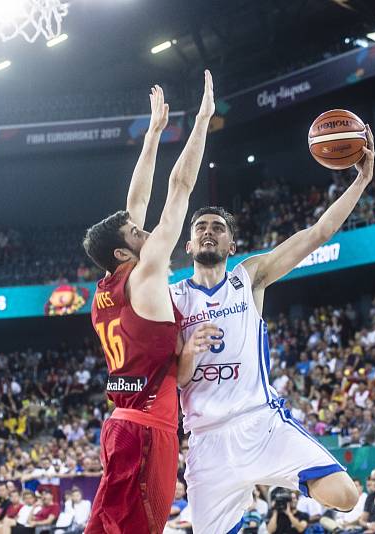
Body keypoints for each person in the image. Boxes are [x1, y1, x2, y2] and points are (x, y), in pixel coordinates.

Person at [172, 126, 375, 533]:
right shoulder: (173, 298)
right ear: (189, 246)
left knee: (346, 496)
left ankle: (279, 481)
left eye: (218, 227)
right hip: (207, 443)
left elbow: (317, 234)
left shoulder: (249, 278)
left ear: (232, 246)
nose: (208, 231)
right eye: (201, 228)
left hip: (260, 424)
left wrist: (362, 179)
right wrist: (190, 348)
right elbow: (175, 377)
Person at [82, 72, 217, 533]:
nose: (147, 233)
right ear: (125, 252)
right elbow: (179, 189)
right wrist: (200, 123)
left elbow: (133, 203)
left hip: (121, 424)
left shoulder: (106, 285)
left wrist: (155, 133)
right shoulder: (146, 272)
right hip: (145, 429)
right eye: (138, 235)